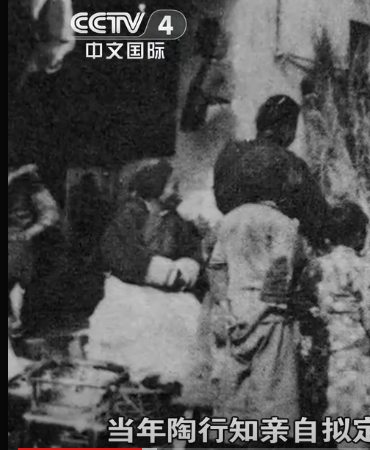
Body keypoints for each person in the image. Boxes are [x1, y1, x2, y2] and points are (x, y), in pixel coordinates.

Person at [207, 196, 319, 438]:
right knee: (273, 396)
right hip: (270, 312)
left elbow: (216, 266)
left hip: (236, 309)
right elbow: (281, 267)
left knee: (235, 393)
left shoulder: (231, 219)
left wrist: (225, 306)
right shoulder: (280, 222)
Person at [87, 159, 205, 383]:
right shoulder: (129, 216)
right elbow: (123, 254)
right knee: (143, 318)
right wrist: (161, 272)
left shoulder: (176, 220)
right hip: (132, 287)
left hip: (170, 291)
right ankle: (138, 376)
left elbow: (192, 250)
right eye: (172, 186)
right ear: (154, 187)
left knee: (186, 314)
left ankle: (168, 380)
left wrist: (186, 268)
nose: (177, 192)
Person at [310, 202, 370, 441]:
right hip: (353, 362)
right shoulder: (362, 268)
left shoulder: (313, 268)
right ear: (358, 235)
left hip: (318, 361)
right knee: (354, 434)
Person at [213, 94, 330, 248]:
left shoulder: (230, 152)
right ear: (286, 128)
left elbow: (221, 198)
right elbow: (317, 216)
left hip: (230, 236)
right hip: (272, 244)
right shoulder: (291, 162)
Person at [8, 161, 61, 336]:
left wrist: (29, 232)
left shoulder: (28, 181)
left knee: (21, 285)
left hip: (18, 242)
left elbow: (50, 212)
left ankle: (17, 324)